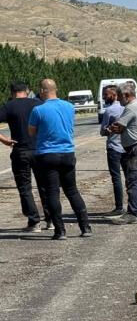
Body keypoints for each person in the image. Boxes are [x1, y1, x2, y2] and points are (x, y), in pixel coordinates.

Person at [27, 79, 91, 240]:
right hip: (67, 152)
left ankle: (60, 230)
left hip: (48, 154)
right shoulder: (69, 107)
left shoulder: (38, 110)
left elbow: (31, 132)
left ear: (42, 91)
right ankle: (85, 227)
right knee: (72, 190)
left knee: (52, 193)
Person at [0, 81, 49, 231]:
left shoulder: (9, 106)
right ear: (27, 91)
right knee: (45, 186)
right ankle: (51, 219)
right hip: (39, 149)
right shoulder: (38, 103)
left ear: (12, 92)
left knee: (25, 187)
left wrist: (4, 140)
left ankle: (34, 221)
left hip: (20, 150)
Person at [110, 82, 137, 224]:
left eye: (120, 97)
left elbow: (118, 127)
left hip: (136, 148)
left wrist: (112, 129)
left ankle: (133, 213)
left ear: (127, 95)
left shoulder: (131, 108)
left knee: (134, 181)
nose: (118, 100)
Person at [98, 84, 126, 214]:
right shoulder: (128, 107)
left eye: (106, 95)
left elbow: (103, 132)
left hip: (114, 148)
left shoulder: (110, 111)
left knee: (116, 178)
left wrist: (107, 130)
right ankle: (134, 205)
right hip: (127, 147)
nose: (104, 97)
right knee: (130, 177)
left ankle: (119, 207)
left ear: (114, 95)